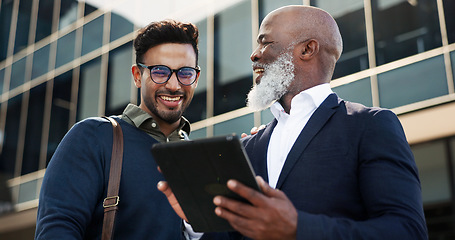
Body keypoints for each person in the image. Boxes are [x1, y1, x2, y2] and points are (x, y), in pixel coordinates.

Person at [159, 5, 428, 240]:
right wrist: (198, 221)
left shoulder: (370, 126)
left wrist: (298, 229)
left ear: (308, 49)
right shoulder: (250, 146)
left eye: (265, 42)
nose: (254, 55)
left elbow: (406, 231)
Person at [35, 19, 201, 239]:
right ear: (136, 76)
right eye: (160, 72)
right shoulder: (93, 136)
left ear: (196, 78)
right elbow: (57, 230)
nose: (174, 85)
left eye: (185, 73)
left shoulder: (202, 160)